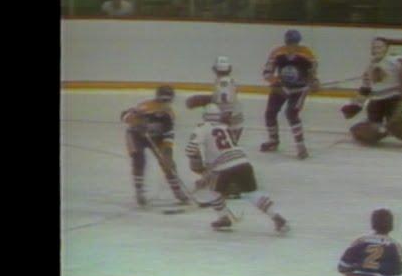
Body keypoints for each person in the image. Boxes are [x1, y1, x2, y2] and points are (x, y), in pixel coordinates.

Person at [184, 104, 290, 233]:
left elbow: (191, 149)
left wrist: (198, 165)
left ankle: (224, 217)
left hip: (223, 166)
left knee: (212, 190)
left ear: (204, 116)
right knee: (252, 193)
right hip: (243, 162)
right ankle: (276, 216)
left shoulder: (202, 128)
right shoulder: (225, 127)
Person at [340, 37, 402, 146]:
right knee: (375, 126)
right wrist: (354, 107)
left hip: (393, 99)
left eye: (380, 47)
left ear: (386, 48)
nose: (377, 49)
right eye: (374, 47)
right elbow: (365, 89)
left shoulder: (395, 59)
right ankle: (375, 129)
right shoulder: (369, 68)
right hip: (376, 102)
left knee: (396, 123)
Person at [120, 86, 190, 207]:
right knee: (139, 159)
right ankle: (139, 190)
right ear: (157, 97)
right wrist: (137, 122)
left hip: (157, 138)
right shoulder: (145, 107)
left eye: (167, 100)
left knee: (168, 163)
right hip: (136, 136)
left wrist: (167, 152)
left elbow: (168, 134)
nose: (164, 103)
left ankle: (177, 191)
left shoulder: (169, 114)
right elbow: (124, 116)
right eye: (162, 99)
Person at [260, 29, 319, 159]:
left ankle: (300, 145)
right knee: (270, 112)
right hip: (282, 88)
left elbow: (312, 72)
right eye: (290, 43)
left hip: (298, 90)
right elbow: (267, 72)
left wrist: (313, 82)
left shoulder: (306, 54)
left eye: (294, 43)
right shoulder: (277, 53)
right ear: (285, 42)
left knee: (291, 113)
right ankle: (273, 140)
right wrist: (275, 83)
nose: (292, 46)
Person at [337, 209, 402, 276]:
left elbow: (342, 267)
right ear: (391, 226)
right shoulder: (395, 247)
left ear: (373, 224)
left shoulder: (360, 241)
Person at [186, 56, 244, 145]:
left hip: (231, 124)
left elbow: (226, 104)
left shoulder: (222, 84)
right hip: (235, 122)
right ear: (230, 68)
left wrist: (222, 127)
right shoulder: (229, 81)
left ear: (214, 69)